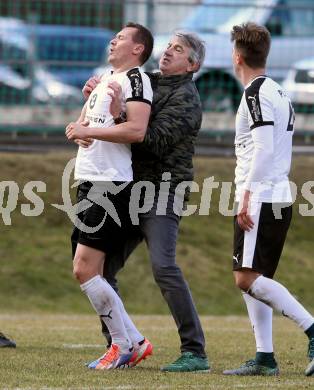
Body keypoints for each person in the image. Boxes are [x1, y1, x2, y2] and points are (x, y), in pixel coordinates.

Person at [79, 31, 210, 372]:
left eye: (177, 50)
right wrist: (95, 101)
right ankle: (120, 344)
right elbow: (119, 106)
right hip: (130, 188)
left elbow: (149, 140)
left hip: (163, 191)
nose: (167, 52)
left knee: (163, 267)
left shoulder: (187, 98)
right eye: (168, 46)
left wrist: (120, 114)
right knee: (102, 268)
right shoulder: (146, 80)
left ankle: (195, 351)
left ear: (192, 64)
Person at [222, 22, 314, 377]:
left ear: (237, 55)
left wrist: (246, 196)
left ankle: (311, 329)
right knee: (254, 277)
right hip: (276, 194)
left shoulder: (255, 94)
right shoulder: (277, 91)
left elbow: (261, 148)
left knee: (245, 279)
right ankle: (264, 357)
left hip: (261, 195)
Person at [65, 22, 154, 370]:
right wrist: (77, 128)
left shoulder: (137, 80)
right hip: (89, 180)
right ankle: (136, 341)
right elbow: (82, 125)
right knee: (90, 270)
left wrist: (90, 129)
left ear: (138, 49)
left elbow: (136, 129)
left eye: (122, 37)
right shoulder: (104, 77)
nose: (113, 40)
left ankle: (120, 345)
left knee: (84, 269)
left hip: (110, 185)